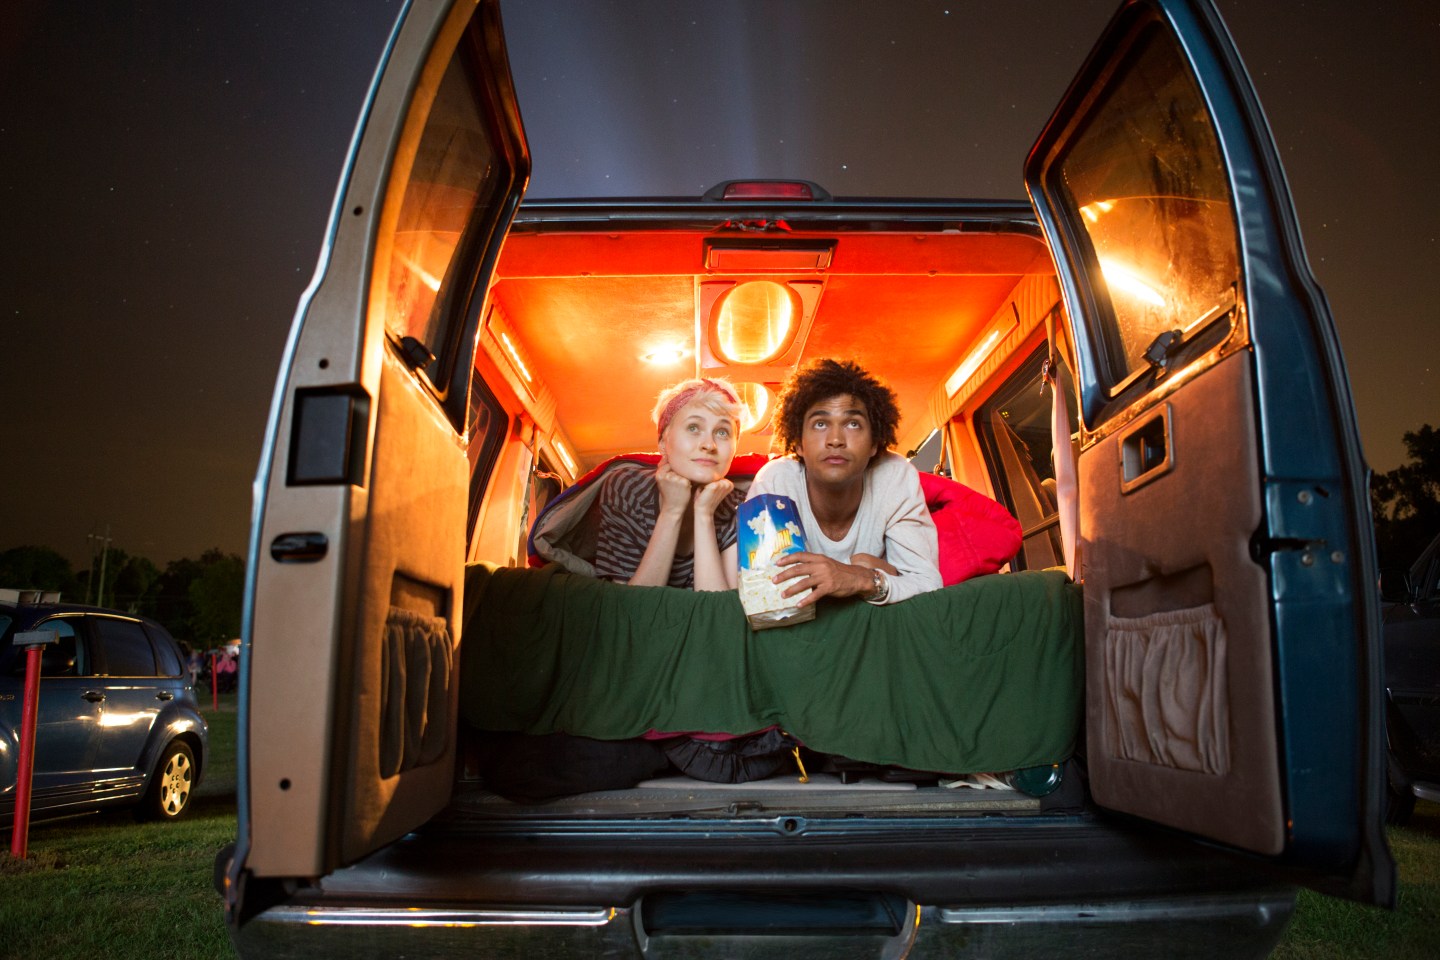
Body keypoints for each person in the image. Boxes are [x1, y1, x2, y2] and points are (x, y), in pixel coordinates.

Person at [747, 358, 942, 606]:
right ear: (798, 443)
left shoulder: (895, 475)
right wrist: (879, 570)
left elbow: (928, 584)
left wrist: (864, 579)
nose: (836, 439)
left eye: (852, 424)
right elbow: (765, 594)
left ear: (874, 444)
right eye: (820, 424)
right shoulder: (775, 482)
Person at [593, 377, 744, 590]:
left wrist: (704, 515)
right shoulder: (627, 487)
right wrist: (672, 510)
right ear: (664, 442)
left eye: (722, 432)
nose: (709, 445)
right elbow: (633, 610)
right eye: (693, 427)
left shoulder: (740, 506)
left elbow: (719, 613)